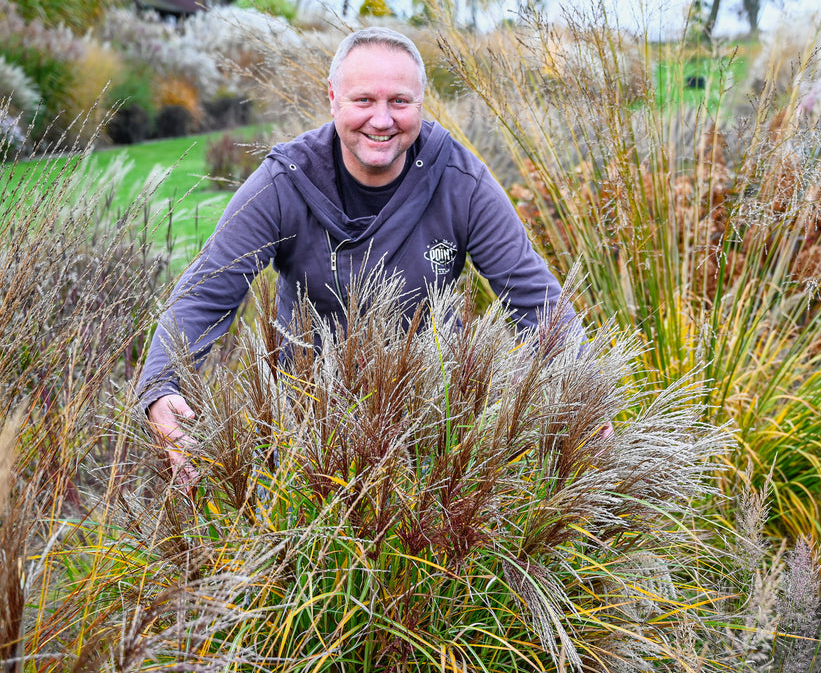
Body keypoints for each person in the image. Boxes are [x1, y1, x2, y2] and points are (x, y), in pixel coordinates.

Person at [138, 26, 585, 482]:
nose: (382, 119)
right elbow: (208, 289)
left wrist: (584, 395)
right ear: (333, 98)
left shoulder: (460, 181)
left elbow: (533, 296)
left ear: (421, 103)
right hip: (303, 429)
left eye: (400, 101)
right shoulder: (284, 181)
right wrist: (161, 386)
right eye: (364, 100)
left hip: (433, 430)